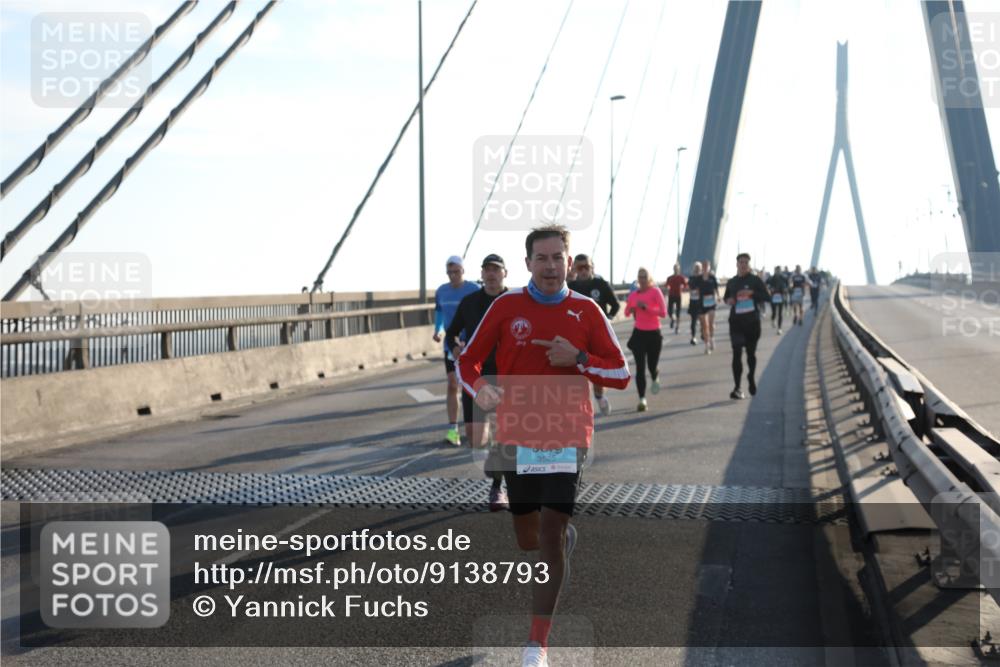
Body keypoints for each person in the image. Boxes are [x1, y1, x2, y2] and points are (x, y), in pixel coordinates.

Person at [456, 225, 630, 667]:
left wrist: (580, 359)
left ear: (568, 262)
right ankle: (558, 538)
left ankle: (537, 645)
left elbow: (621, 373)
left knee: (549, 535)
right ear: (528, 263)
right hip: (516, 437)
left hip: (567, 437)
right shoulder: (506, 307)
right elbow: (467, 361)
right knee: (527, 539)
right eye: (542, 258)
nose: (550, 266)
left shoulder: (587, 311)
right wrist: (481, 390)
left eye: (557, 258)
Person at [446, 254, 510, 511]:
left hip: (506, 375)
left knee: (503, 431)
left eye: (496, 270)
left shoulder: (514, 302)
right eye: (487, 270)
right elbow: (451, 332)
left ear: (505, 273)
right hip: (476, 375)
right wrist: (455, 348)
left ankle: (497, 488)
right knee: (475, 439)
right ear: (482, 274)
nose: (491, 274)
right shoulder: (470, 302)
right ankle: (493, 458)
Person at [434, 256, 479, 445]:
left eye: (456, 271)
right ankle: (453, 430)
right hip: (451, 345)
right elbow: (439, 313)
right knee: (453, 384)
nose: (453, 275)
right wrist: (438, 330)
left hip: (471, 344)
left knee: (474, 386)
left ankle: (478, 425)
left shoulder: (474, 289)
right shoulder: (441, 291)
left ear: (463, 271)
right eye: (449, 272)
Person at [568, 254, 621, 416]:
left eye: (586, 267)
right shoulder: (569, 287)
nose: (583, 270)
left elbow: (615, 305)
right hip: (577, 337)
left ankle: (599, 396)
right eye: (580, 267)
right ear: (574, 269)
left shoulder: (601, 284)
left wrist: (608, 319)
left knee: (596, 371)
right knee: (579, 372)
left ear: (592, 267)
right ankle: (581, 406)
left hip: (598, 337)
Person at [724, 252, 770, 399]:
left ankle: (751, 377)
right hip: (736, 323)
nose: (743, 265)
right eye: (741, 262)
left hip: (752, 324)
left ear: (749, 265)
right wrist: (729, 300)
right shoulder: (732, 282)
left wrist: (752, 293)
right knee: (736, 352)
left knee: (750, 355)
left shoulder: (755, 281)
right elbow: (726, 298)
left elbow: (767, 297)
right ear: (737, 264)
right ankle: (737, 387)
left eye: (746, 262)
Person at [624, 267, 667, 412]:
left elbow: (663, 313)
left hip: (654, 334)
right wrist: (631, 309)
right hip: (639, 334)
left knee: (651, 366)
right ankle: (642, 399)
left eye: (644, 277)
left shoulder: (655, 292)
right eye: (640, 277)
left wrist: (646, 307)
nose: (642, 280)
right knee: (640, 368)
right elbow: (626, 312)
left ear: (649, 279)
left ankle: (655, 375)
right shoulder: (633, 295)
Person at [699, 260, 720, 354]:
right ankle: (706, 345)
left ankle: (712, 338)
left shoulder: (712, 277)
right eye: (703, 266)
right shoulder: (698, 278)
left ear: (709, 267)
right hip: (701, 303)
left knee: (711, 324)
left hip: (711, 302)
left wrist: (718, 296)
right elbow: (693, 288)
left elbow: (716, 288)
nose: (705, 268)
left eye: (706, 266)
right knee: (704, 325)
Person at [664, 263, 688, 334]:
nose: (676, 270)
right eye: (675, 269)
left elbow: (686, 285)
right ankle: (672, 318)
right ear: (673, 269)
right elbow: (666, 285)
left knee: (678, 312)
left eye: (677, 269)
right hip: (671, 295)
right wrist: (667, 288)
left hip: (678, 296)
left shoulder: (681, 277)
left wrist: (683, 287)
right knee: (669, 311)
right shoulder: (670, 278)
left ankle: (677, 327)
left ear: (679, 270)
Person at [766, 264, 788, 334]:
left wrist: (786, 289)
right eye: (776, 270)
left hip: (781, 296)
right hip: (773, 296)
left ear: (780, 271)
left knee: (780, 313)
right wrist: (770, 289)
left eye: (779, 270)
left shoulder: (784, 278)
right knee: (774, 312)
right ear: (774, 271)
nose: (778, 272)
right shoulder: (771, 278)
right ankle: (773, 319)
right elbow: (766, 285)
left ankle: (779, 328)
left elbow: (789, 284)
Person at [687, 261, 704, 345]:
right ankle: (693, 337)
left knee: (702, 319)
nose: (697, 269)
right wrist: (691, 290)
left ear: (701, 269)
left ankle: (702, 332)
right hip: (693, 301)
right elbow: (689, 287)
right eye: (696, 268)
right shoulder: (691, 278)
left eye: (698, 268)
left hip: (701, 302)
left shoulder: (703, 278)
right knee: (693, 320)